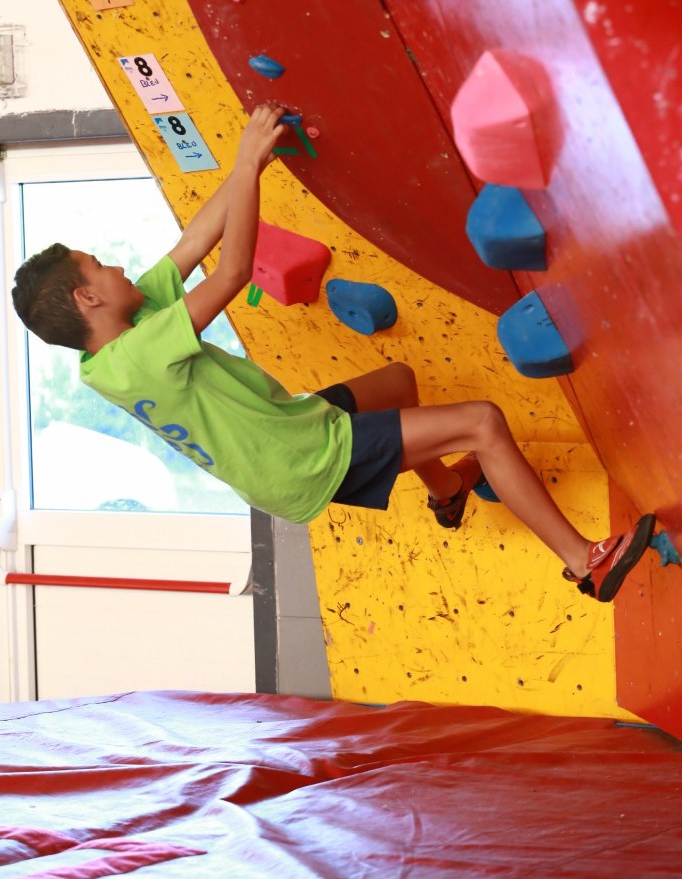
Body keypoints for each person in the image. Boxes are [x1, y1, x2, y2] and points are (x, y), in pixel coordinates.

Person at [12, 103, 654, 603]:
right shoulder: (138, 356)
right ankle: (585, 562)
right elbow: (232, 271)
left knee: (398, 380)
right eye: (101, 266)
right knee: (483, 423)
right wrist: (246, 164)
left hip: (285, 433)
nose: (118, 266)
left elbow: (194, 242)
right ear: (87, 298)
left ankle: (448, 489)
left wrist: (255, 162)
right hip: (301, 460)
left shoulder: (113, 346)